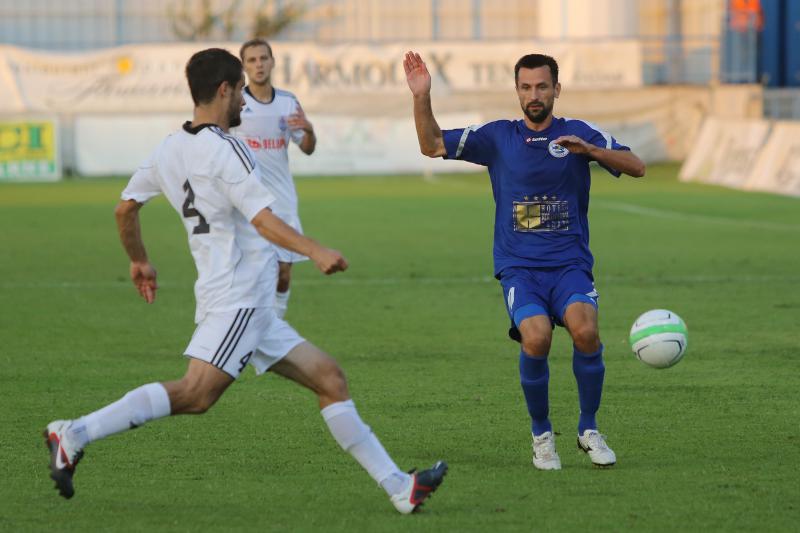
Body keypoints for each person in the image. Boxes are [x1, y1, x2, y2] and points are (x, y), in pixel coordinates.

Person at [44, 48, 447, 514]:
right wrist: (315, 249)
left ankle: (400, 487)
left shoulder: (168, 148)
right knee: (195, 394)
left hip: (247, 301)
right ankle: (74, 432)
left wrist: (140, 261)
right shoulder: (228, 149)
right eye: (239, 93)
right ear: (225, 90)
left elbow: (125, 208)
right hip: (239, 299)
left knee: (330, 380)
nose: (243, 104)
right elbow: (262, 220)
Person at [403, 50, 645, 470]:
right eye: (526, 87)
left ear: (556, 89)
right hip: (521, 268)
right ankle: (542, 435)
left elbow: (636, 165)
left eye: (542, 86)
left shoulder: (578, 132)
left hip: (570, 264)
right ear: (517, 90)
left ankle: (588, 429)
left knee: (586, 332)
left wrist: (591, 150)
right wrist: (422, 96)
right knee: (536, 339)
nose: (534, 94)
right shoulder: (499, 136)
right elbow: (432, 144)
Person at [231, 38, 315, 319]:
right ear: (244, 66)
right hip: (247, 201)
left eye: (263, 58)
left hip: (283, 199)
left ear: (273, 62)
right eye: (252, 60)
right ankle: (249, 330)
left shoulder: (288, 102)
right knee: (252, 273)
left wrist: (309, 130)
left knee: (283, 273)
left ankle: (274, 328)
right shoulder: (236, 104)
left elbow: (307, 147)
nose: (259, 65)